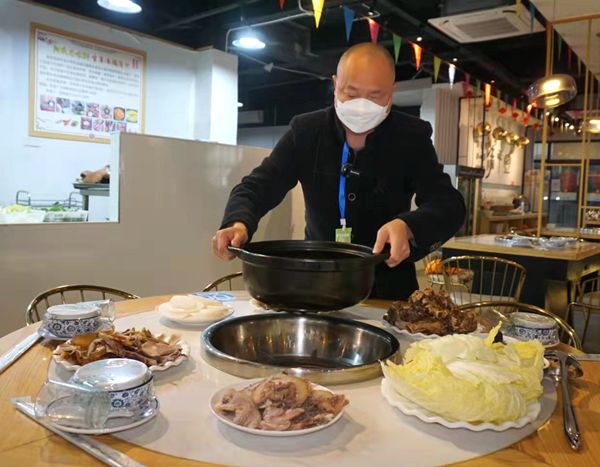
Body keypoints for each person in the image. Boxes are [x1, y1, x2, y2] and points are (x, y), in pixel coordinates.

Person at [212, 42, 465, 299]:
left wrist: (408, 226)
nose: (362, 105)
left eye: (375, 95)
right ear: (335, 83)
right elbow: (259, 185)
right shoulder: (307, 131)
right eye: (351, 93)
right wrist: (238, 222)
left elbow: (448, 204)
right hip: (315, 286)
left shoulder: (411, 137)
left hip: (388, 288)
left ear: (392, 91)